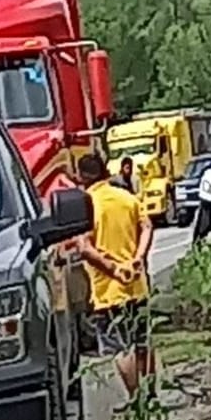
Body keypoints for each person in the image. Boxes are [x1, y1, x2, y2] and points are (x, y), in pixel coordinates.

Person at [76, 153, 155, 399]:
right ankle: (150, 396)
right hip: (137, 286)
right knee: (142, 344)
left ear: (81, 177)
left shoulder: (85, 205)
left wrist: (113, 269)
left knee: (120, 349)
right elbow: (147, 226)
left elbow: (84, 248)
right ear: (106, 173)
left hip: (108, 293)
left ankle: (136, 400)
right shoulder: (126, 198)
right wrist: (138, 258)